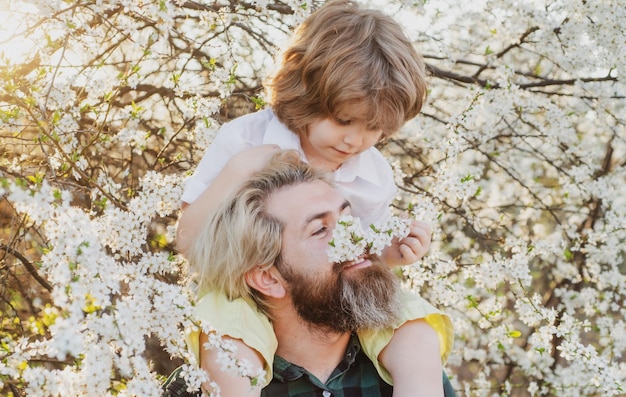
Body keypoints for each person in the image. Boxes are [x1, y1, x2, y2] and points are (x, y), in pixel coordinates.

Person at [175, 1, 454, 394]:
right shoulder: (245, 139)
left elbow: (361, 261)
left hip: (337, 298)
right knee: (231, 348)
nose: (354, 140)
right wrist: (241, 169)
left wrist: (389, 255)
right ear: (306, 91)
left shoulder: (372, 174)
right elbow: (188, 241)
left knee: (414, 331)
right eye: (343, 120)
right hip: (240, 292)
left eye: (373, 128)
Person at [177, 151, 455, 396]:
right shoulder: (218, 380)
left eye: (346, 219)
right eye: (320, 230)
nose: (355, 238)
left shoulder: (408, 365)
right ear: (268, 278)